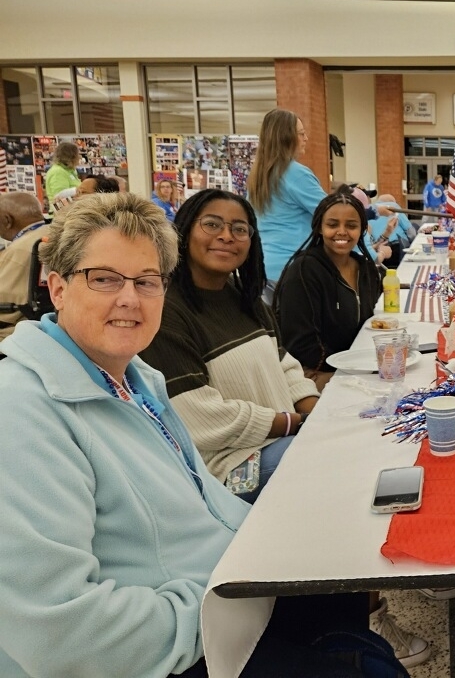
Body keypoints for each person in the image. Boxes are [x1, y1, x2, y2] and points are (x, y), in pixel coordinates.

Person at [0, 192, 393, 678]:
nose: (129, 298)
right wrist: (221, 606)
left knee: (343, 582)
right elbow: (57, 633)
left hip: (227, 598)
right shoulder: (22, 412)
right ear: (57, 288)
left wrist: (268, 563)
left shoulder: (136, 378)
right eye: (103, 278)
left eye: (146, 281)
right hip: (180, 645)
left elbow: (206, 506)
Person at [139, 189, 320, 502]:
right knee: (320, 457)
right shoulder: (165, 311)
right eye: (211, 224)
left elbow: (284, 365)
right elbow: (198, 416)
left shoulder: (245, 296)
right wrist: (293, 423)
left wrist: (318, 414)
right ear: (183, 231)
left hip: (280, 437)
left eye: (239, 229)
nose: (226, 236)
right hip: (225, 470)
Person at [275, 190, 383, 392]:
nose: (342, 231)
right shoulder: (304, 271)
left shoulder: (366, 269)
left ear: (362, 229)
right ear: (319, 228)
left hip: (359, 365)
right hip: (315, 372)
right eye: (332, 225)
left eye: (351, 225)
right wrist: (352, 372)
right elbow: (300, 343)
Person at [247, 108, 324, 297]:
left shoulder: (258, 176)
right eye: (301, 134)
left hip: (265, 268)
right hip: (292, 268)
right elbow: (334, 215)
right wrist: (371, 255)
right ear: (286, 137)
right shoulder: (296, 173)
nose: (306, 138)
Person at [0, 192, 48, 340]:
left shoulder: (18, 251)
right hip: (47, 322)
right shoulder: (57, 234)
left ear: (7, 220)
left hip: (16, 331)